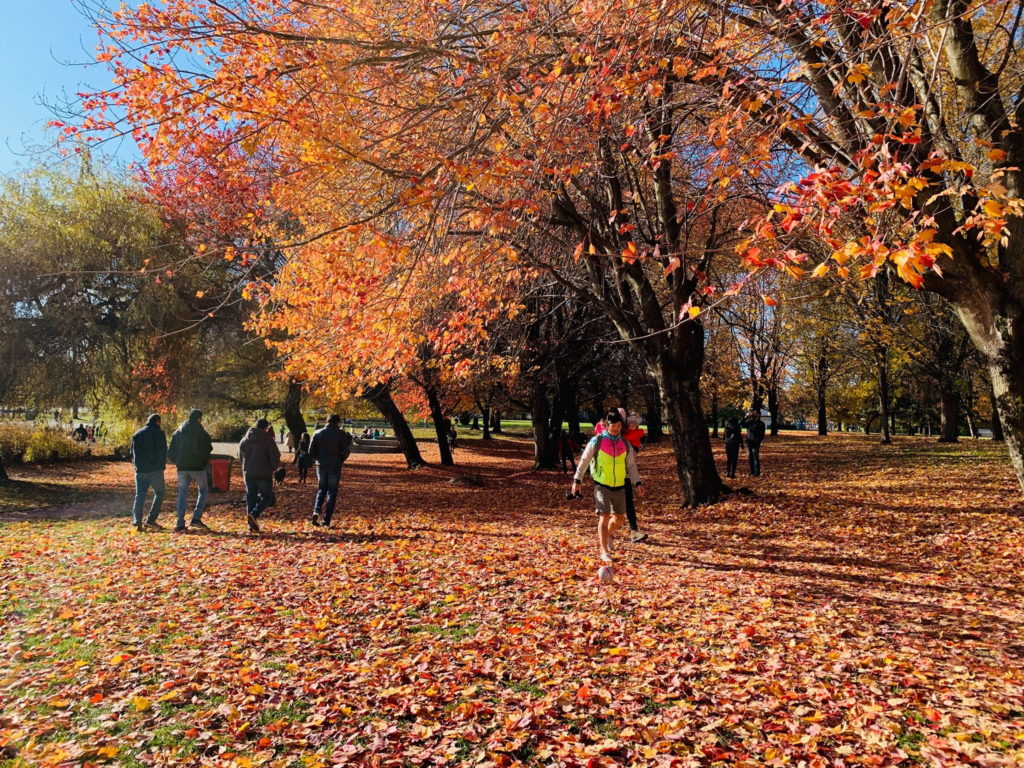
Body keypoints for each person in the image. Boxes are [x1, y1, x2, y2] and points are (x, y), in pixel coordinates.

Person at [570, 409, 645, 564]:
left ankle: (605, 535)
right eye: (613, 425)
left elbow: (631, 466)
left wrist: (637, 483)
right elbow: (584, 461)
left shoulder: (625, 444)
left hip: (619, 485)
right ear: (607, 424)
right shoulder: (597, 441)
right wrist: (577, 480)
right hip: (602, 484)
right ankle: (604, 551)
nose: (616, 428)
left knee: (619, 519)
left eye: (619, 426)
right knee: (604, 516)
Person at [167, 409, 214, 532]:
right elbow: (208, 448)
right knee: (203, 490)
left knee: (182, 493)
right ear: (199, 419)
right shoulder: (201, 432)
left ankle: (180, 522)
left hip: (182, 468)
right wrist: (203, 462)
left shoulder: (178, 431)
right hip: (197, 467)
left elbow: (170, 451)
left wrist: (178, 462)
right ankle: (196, 518)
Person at [239, 418, 281, 534]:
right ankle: (254, 514)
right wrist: (272, 468)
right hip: (264, 473)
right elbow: (275, 456)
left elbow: (240, 456)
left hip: (249, 473)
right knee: (267, 497)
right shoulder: (268, 440)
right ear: (266, 428)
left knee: (251, 497)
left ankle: (250, 525)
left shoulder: (245, 440)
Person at [309, 415, 352, 527]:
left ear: (326, 421)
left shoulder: (317, 432)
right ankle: (326, 519)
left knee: (321, 489)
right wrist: (340, 460)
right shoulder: (341, 434)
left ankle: (316, 511)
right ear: (337, 422)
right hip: (335, 464)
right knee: (332, 492)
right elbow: (346, 451)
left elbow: (311, 450)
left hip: (321, 464)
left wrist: (317, 459)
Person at [130, 413, 167, 532]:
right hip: (155, 470)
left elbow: (132, 453)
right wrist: (161, 466)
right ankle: (151, 520)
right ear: (158, 421)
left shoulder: (137, 433)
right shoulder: (159, 433)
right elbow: (163, 451)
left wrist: (136, 465)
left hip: (140, 470)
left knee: (139, 496)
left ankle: (137, 522)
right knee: (160, 493)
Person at [622, 413, 648, 543]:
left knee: (629, 504)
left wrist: (637, 482)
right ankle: (606, 535)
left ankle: (634, 531)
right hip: (609, 479)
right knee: (612, 512)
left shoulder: (626, 441)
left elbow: (631, 465)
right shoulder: (607, 440)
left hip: (625, 476)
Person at [742, 410, 766, 476]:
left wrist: (758, 441)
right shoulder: (750, 422)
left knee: (755, 457)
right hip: (748, 442)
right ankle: (752, 472)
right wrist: (745, 417)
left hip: (755, 443)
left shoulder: (761, 424)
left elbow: (762, 434)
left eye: (755, 413)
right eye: (753, 413)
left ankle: (757, 472)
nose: (753, 414)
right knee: (750, 457)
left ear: (758, 415)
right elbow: (742, 424)